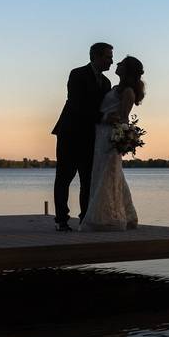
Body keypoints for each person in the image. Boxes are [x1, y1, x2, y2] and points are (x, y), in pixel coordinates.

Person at [52, 42, 114, 231]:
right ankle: (62, 220)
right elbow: (77, 104)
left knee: (87, 180)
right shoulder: (77, 74)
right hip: (70, 133)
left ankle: (84, 218)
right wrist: (102, 117)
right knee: (64, 177)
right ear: (96, 57)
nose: (111, 61)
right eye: (108, 57)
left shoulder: (106, 83)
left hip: (90, 137)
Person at [81, 56, 144, 231]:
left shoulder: (128, 92)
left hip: (110, 135)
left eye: (121, 64)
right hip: (100, 133)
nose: (117, 64)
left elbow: (123, 118)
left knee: (107, 175)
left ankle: (105, 218)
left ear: (127, 70)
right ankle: (127, 215)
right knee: (108, 173)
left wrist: (119, 136)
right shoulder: (114, 87)